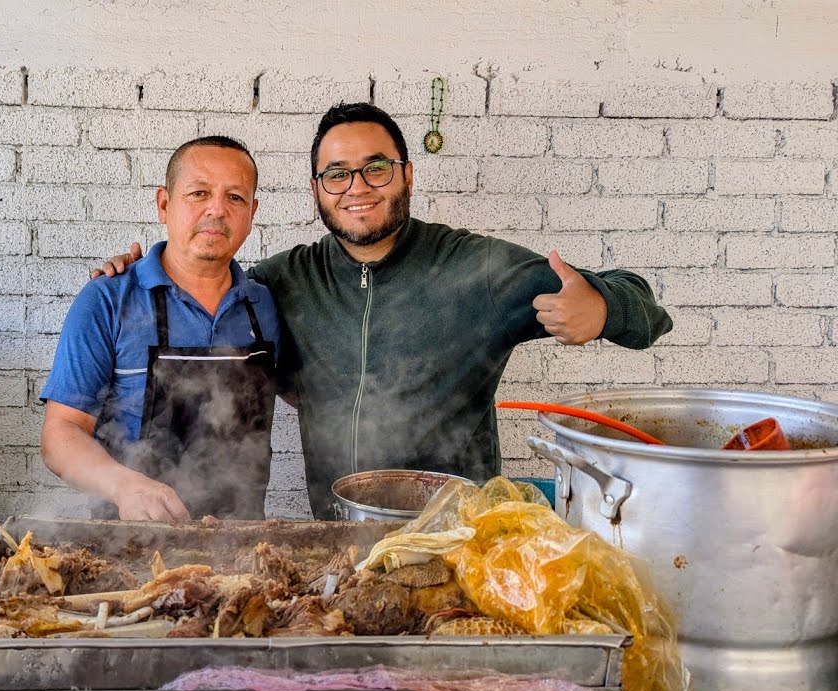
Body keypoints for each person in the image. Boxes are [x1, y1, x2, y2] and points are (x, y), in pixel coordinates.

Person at [95, 104, 672, 519]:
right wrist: (126, 276)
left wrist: (601, 308)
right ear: (318, 189)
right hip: (340, 540)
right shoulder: (281, 280)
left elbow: (643, 305)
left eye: (376, 167)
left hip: (457, 540)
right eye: (337, 174)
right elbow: (200, 281)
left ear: (406, 174)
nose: (358, 188)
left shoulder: (475, 269)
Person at [40, 136, 281, 522]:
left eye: (234, 197)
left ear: (252, 213)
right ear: (164, 204)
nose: (216, 209)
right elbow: (61, 434)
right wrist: (123, 486)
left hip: (241, 542)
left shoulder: (264, 305)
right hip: (131, 543)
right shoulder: (107, 300)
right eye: (199, 193)